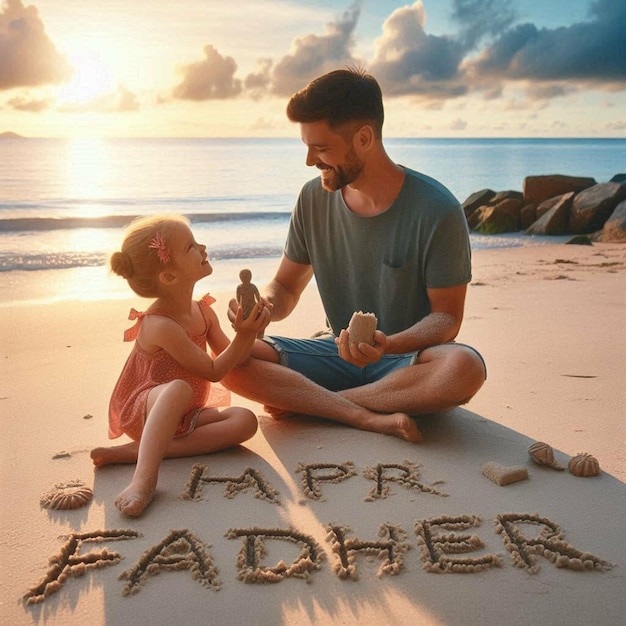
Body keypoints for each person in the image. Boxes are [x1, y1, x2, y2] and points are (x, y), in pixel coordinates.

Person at [222, 68, 486, 443]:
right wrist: (262, 308)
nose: (310, 160)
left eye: (322, 148)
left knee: (464, 367)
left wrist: (390, 344)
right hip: (334, 353)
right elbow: (285, 285)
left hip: (406, 364)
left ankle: (323, 406)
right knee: (229, 359)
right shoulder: (312, 199)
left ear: (364, 138)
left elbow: (446, 317)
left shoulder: (437, 209)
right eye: (307, 146)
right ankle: (360, 412)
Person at [90, 215, 270, 516]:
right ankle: (144, 479)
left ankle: (135, 452)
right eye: (190, 246)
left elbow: (233, 357)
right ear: (169, 276)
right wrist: (245, 335)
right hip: (145, 410)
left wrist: (253, 328)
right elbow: (212, 371)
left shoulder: (203, 311)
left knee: (245, 420)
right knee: (177, 389)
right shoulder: (160, 324)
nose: (202, 247)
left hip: (187, 416)